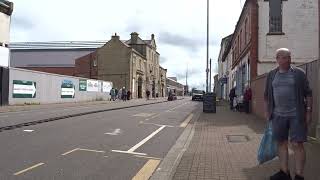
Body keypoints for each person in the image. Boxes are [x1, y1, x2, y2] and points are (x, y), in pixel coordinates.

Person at [264, 48, 312, 180]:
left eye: (289, 57)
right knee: (281, 143)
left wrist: (308, 111)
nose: (288, 59)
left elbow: (308, 93)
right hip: (278, 115)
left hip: (296, 114)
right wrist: (267, 112)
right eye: (285, 57)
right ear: (278, 59)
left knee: (297, 144)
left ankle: (299, 175)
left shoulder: (299, 74)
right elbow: (267, 95)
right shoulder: (272, 74)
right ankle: (284, 172)